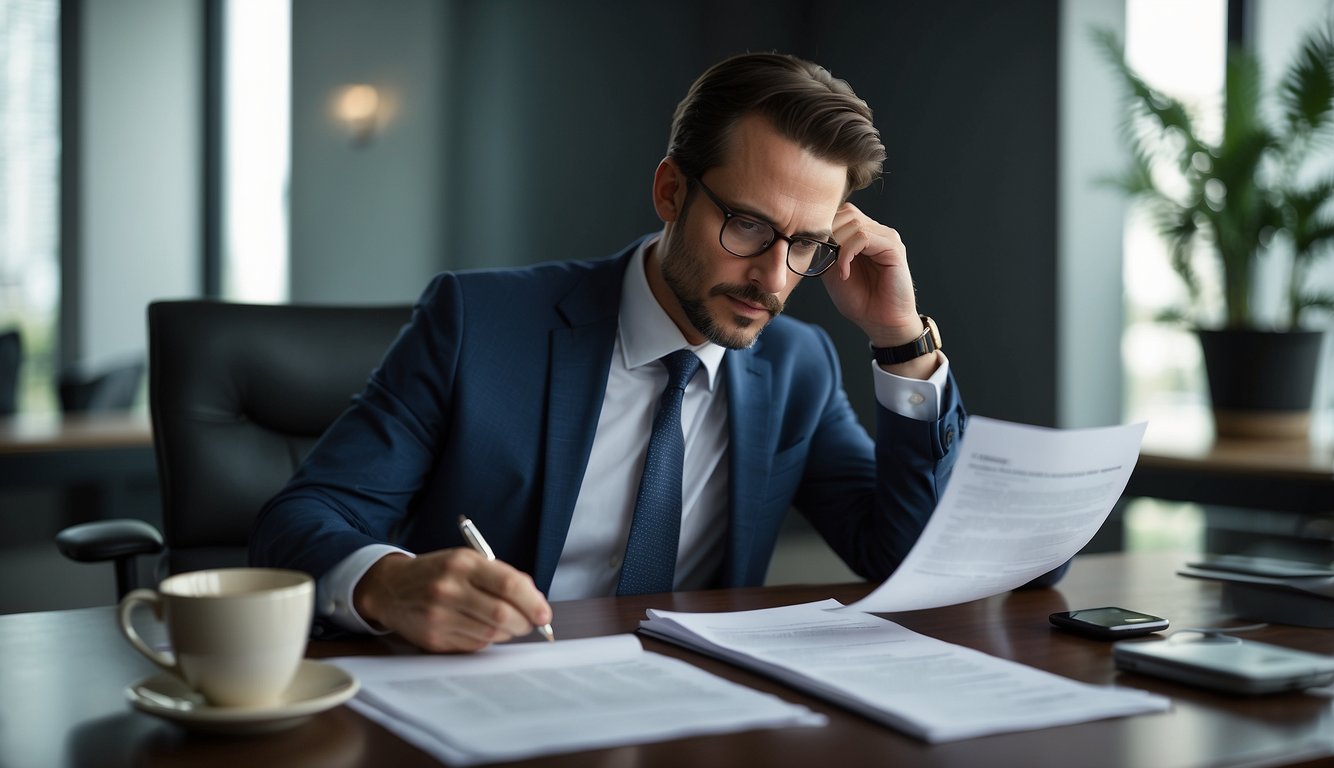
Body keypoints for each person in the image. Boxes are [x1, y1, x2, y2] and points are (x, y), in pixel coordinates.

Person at [251, 51, 1058, 653]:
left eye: (807, 244)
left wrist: (901, 341)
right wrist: (388, 583)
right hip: (497, 691)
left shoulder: (796, 368)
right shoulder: (480, 322)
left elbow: (905, 559)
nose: (773, 278)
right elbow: (302, 518)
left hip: (699, 712)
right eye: (747, 225)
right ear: (671, 191)